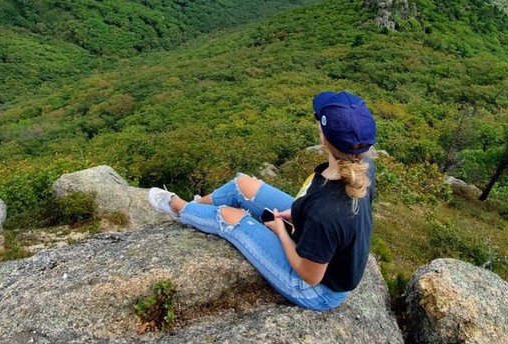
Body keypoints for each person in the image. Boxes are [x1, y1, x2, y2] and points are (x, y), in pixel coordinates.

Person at [148, 91, 377, 311]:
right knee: (243, 185)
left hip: (317, 290)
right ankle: (198, 206)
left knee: (229, 217)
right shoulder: (363, 169)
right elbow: (338, 219)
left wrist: (281, 232)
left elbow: (309, 275)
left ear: (324, 136)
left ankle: (179, 209)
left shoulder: (326, 213)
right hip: (317, 238)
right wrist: (296, 213)